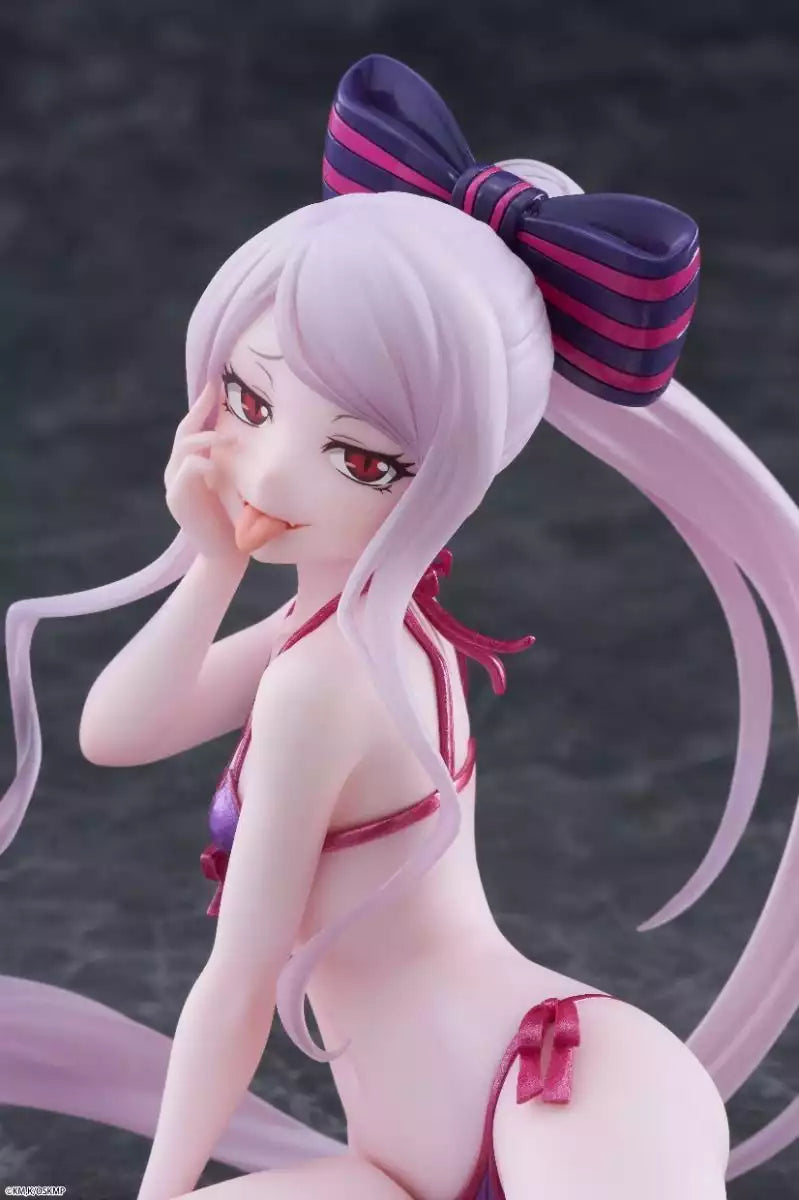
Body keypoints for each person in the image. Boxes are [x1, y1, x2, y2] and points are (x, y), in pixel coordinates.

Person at [1, 53, 796, 1200]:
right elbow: (117, 732)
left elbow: (236, 984)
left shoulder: (327, 680)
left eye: (365, 459)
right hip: (397, 1163)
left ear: (453, 473)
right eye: (252, 400)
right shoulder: (345, 630)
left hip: (554, 1085)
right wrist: (213, 563)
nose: (274, 472)